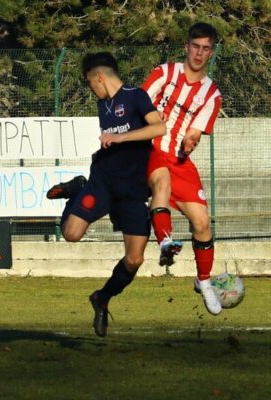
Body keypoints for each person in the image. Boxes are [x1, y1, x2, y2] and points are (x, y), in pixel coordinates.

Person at [47, 52, 166, 337]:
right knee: (71, 233)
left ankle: (102, 298)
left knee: (134, 261)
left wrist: (122, 137)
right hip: (103, 182)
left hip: (132, 190)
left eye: (91, 83)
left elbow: (159, 126)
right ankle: (77, 190)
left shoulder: (135, 96)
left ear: (99, 76)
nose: (92, 90)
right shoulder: (104, 104)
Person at [141, 22, 223, 315]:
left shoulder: (211, 94)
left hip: (180, 160)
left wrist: (191, 138)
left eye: (206, 49)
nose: (199, 53)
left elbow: (196, 131)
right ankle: (165, 242)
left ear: (211, 52)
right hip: (151, 150)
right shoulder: (165, 73)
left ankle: (204, 281)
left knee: (202, 222)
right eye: (195, 46)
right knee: (160, 183)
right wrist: (151, 115)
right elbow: (137, 102)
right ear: (186, 46)